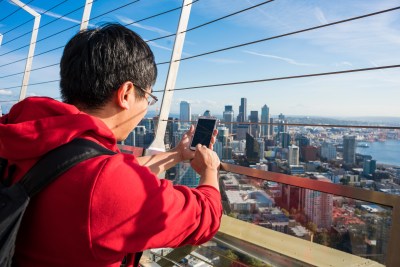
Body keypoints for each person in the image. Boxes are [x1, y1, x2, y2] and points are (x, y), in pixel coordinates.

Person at [0, 23, 222, 267]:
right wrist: (209, 168)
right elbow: (205, 217)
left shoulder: (21, 131)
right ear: (126, 93)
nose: (146, 106)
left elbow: (92, 169)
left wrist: (177, 155)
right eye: (148, 97)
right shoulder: (104, 182)